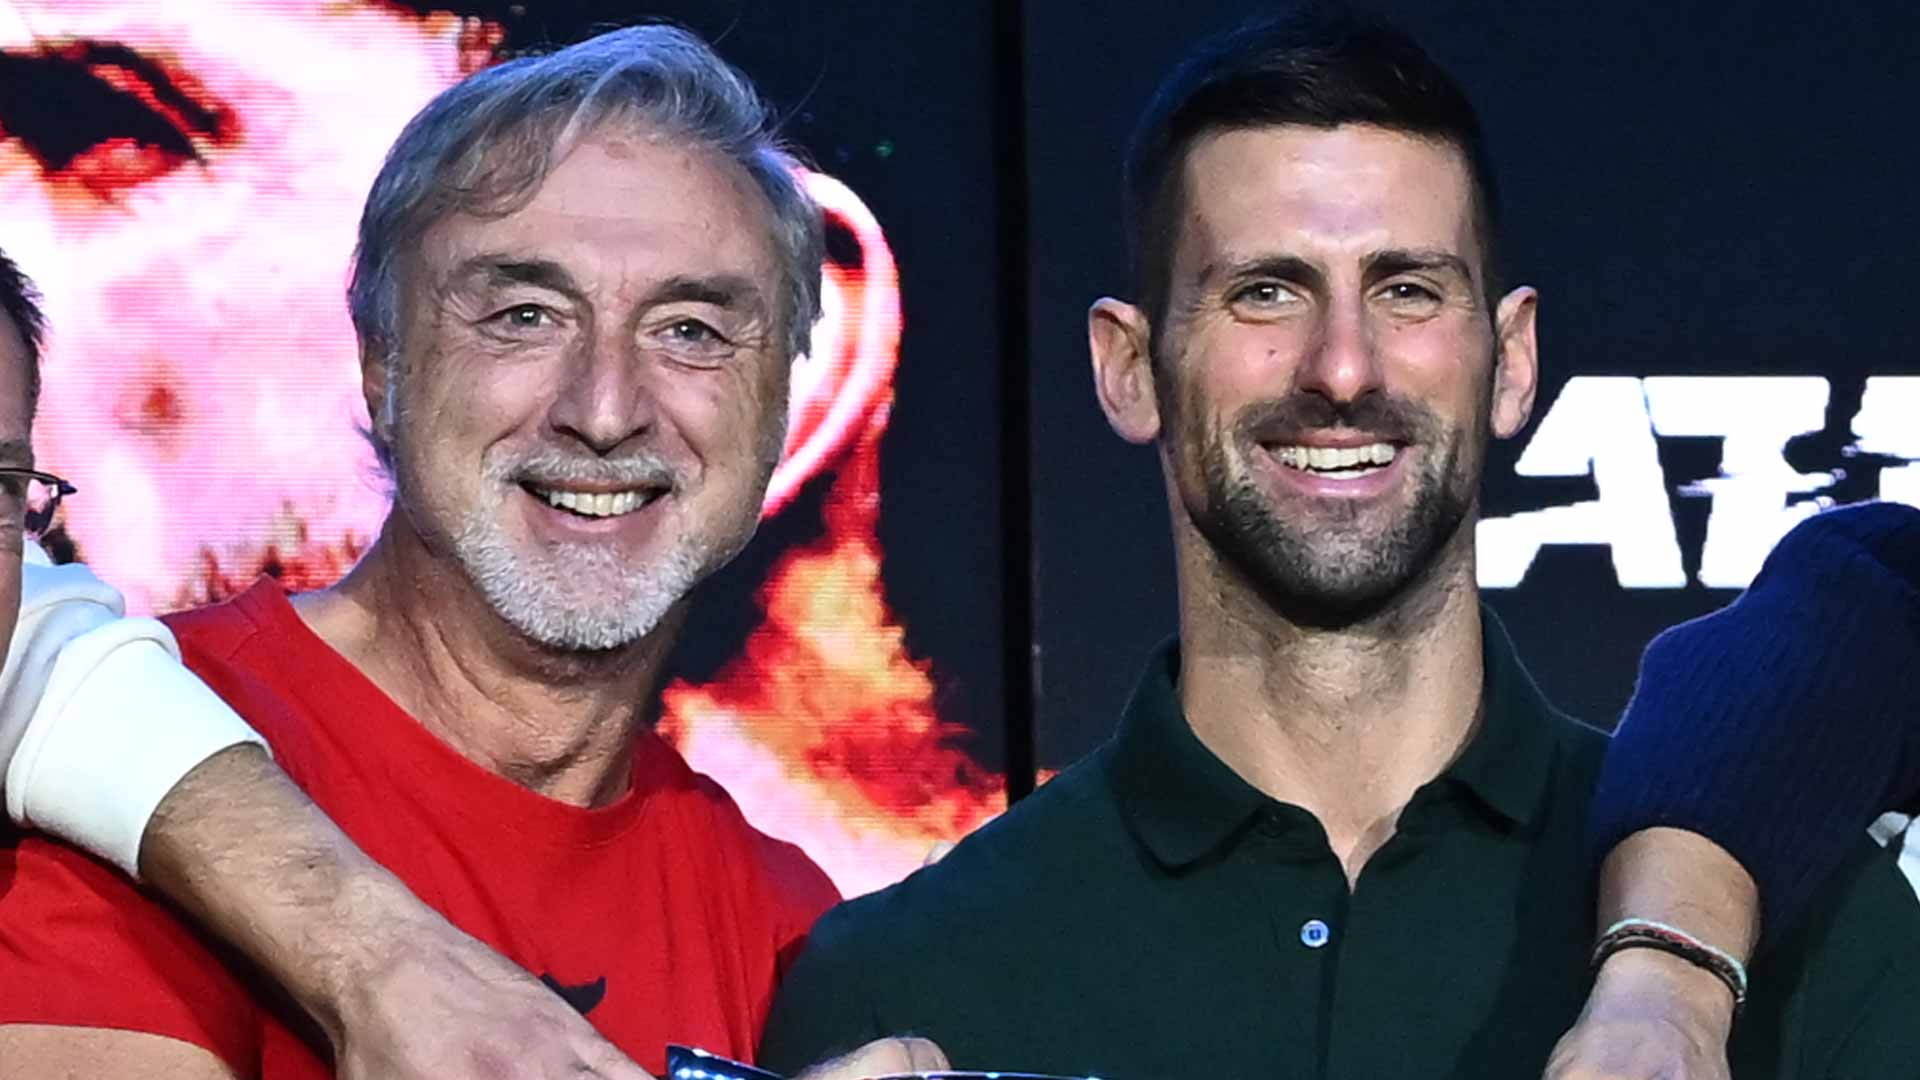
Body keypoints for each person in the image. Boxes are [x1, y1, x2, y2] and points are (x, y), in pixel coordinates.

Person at [754, 10, 1920, 1079]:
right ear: (1128, 367)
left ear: (1512, 361)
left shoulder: (1789, 941)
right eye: (1266, 292)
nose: (1344, 367)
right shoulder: (895, 988)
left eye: (1408, 290)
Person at [0, 26, 941, 1080]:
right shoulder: (131, 792)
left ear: (796, 389)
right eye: (524, 316)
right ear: (381, 363)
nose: (604, 409)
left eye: (689, 330)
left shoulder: (793, 928)